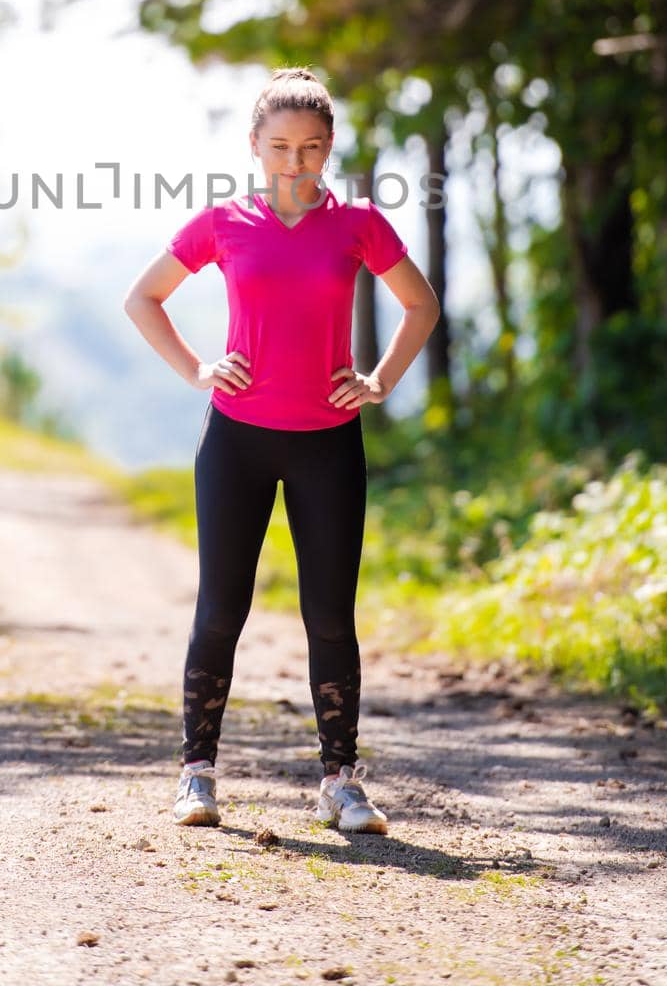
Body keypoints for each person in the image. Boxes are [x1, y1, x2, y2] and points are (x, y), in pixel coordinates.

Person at [123, 66, 440, 833]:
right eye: (278, 146)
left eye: (309, 147)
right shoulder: (224, 222)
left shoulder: (359, 222)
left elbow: (419, 305)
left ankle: (340, 782)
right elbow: (143, 298)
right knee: (219, 609)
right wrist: (198, 366)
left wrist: (378, 381)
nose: (294, 162)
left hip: (327, 444)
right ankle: (196, 774)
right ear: (254, 146)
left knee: (329, 617)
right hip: (235, 439)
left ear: (329, 148)